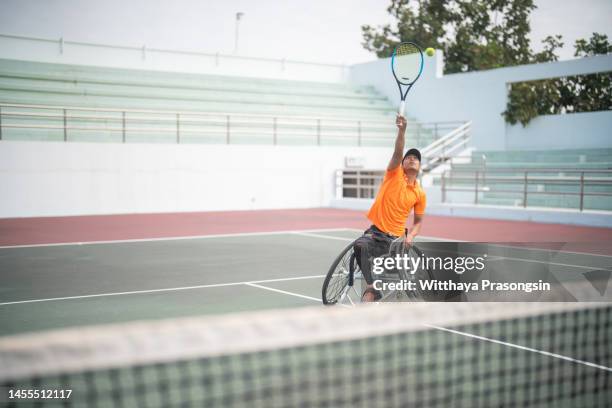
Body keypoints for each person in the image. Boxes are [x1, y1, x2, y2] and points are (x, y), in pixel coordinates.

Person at [353, 114, 426, 302]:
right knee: (360, 246)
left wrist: (411, 236)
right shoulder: (393, 175)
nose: (411, 159)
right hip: (376, 232)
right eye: (408, 158)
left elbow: (418, 223)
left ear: (419, 167)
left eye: (415, 159)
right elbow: (397, 151)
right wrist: (402, 131)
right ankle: (372, 288)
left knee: (390, 265)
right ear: (401, 164)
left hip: (395, 240)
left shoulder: (420, 193)